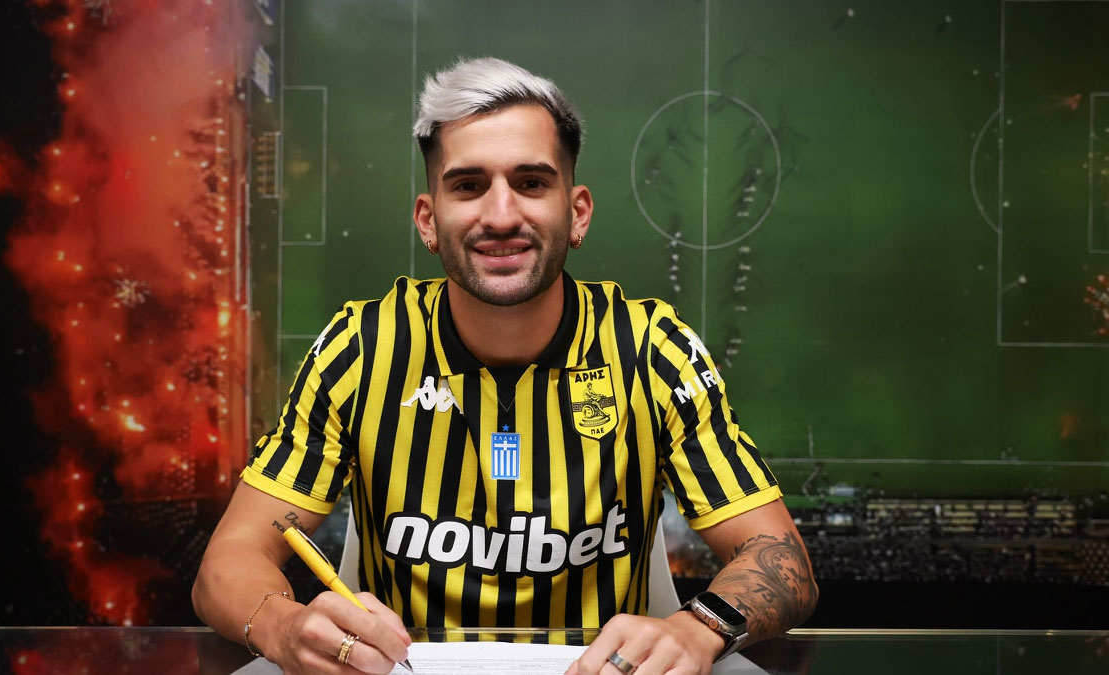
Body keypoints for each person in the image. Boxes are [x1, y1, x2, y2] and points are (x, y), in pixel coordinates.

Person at [192, 57, 817, 675]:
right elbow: (229, 559)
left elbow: (780, 556)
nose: (500, 216)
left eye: (531, 183)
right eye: (468, 186)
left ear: (577, 212)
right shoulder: (362, 348)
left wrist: (698, 628)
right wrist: (284, 626)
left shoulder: (652, 349)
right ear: (428, 220)